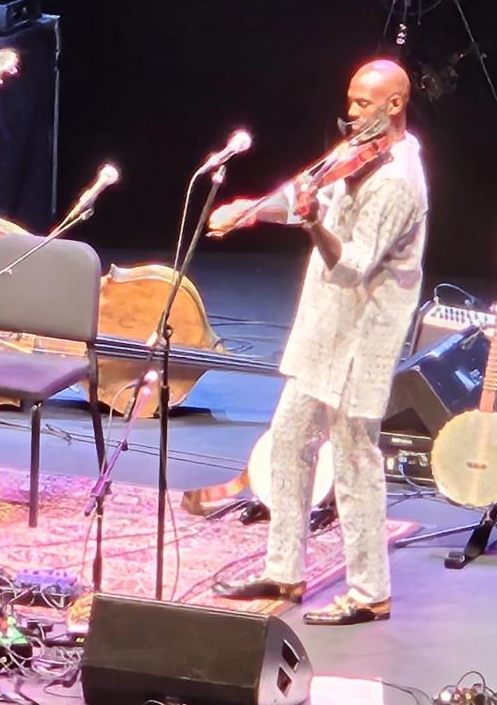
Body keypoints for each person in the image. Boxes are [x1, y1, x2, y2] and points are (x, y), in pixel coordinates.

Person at [208, 59, 427, 625]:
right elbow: (307, 190)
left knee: (355, 459)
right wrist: (252, 211)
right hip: (325, 327)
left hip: (363, 337)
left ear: (395, 105)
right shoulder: (356, 154)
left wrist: (309, 224)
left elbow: (352, 266)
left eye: (362, 103)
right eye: (350, 101)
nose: (351, 113)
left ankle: (369, 592)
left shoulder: (398, 181)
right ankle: (284, 572)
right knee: (287, 440)